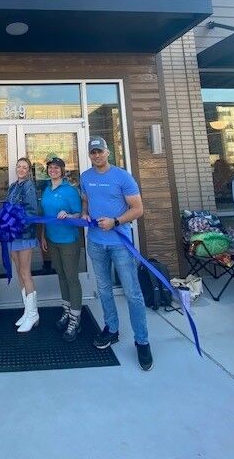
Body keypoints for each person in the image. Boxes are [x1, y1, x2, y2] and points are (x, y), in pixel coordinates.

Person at [80, 136, 153, 371]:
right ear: (89, 155)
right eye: (93, 152)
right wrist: (84, 214)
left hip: (120, 244)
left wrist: (116, 221)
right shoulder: (85, 177)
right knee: (103, 290)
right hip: (95, 243)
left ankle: (142, 340)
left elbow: (138, 209)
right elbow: (86, 200)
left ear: (107, 152)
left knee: (132, 293)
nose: (97, 155)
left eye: (100, 151)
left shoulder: (122, 176)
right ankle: (111, 330)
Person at [40, 156, 82, 342]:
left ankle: (75, 318)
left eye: (57, 168)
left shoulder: (70, 191)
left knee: (72, 279)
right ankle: (67, 311)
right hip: (52, 239)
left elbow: (79, 214)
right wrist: (43, 236)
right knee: (61, 276)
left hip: (68, 240)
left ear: (62, 171)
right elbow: (44, 216)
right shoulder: (47, 189)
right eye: (50, 167)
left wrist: (69, 214)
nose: (53, 170)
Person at [7, 157, 39, 332]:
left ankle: (34, 314)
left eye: (24, 167)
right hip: (12, 235)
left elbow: (31, 212)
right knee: (18, 270)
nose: (20, 169)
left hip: (24, 235)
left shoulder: (28, 186)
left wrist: (14, 223)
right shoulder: (13, 186)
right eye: (18, 166)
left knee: (25, 272)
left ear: (28, 170)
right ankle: (27, 311)